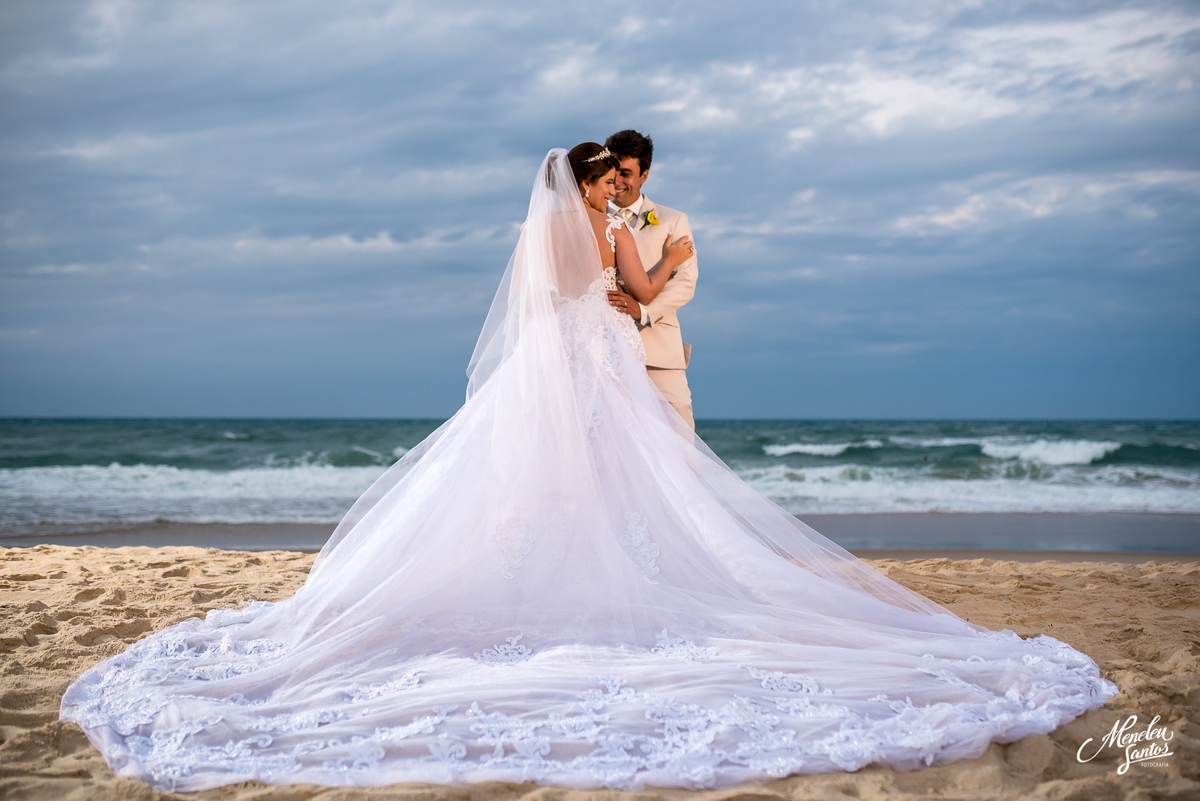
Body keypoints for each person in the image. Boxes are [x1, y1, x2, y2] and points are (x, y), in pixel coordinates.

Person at [60, 145, 1117, 793]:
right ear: (591, 180)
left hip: (551, 367)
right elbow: (631, 286)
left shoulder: (539, 234)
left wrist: (636, 273)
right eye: (611, 179)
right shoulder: (606, 230)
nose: (622, 189)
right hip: (600, 359)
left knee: (551, 485)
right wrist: (665, 263)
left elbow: (564, 301)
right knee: (624, 483)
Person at [604, 130, 698, 429]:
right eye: (612, 170)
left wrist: (643, 311)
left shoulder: (673, 220)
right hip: (605, 351)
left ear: (644, 175)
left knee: (681, 437)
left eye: (626, 173)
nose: (618, 180)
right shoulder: (587, 219)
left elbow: (685, 282)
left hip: (659, 351)